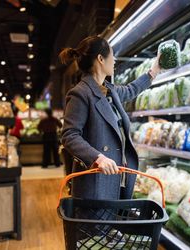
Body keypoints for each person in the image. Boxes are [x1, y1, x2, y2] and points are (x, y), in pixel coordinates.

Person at [60, 35, 161, 201]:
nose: (114, 60)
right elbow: (69, 135)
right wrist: (98, 158)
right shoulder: (80, 93)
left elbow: (131, 90)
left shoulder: (108, 89)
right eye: (111, 55)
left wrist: (154, 71)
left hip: (116, 177)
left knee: (112, 224)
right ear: (101, 59)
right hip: (96, 181)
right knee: (98, 226)